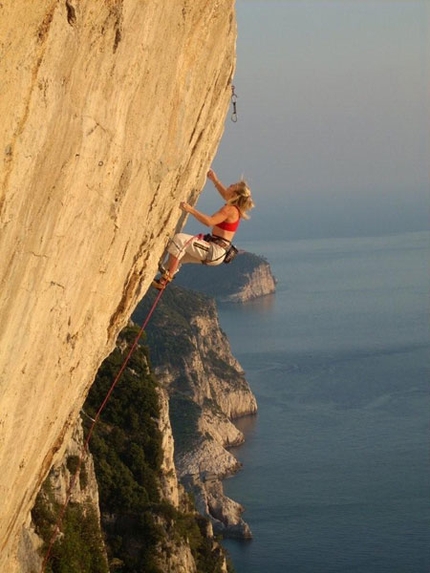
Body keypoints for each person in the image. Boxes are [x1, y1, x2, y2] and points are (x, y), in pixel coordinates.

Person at [152, 169, 254, 289]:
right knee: (177, 257)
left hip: (215, 250)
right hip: (217, 252)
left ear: (235, 195)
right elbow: (225, 194)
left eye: (233, 186)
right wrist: (214, 180)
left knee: (179, 240)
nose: (230, 185)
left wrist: (190, 210)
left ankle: (167, 277)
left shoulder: (229, 210)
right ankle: (162, 282)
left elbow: (209, 222)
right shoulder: (234, 208)